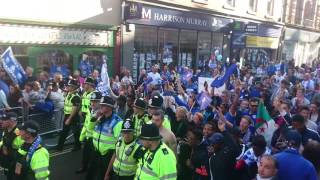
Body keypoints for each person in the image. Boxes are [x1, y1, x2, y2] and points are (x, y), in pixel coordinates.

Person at [86, 95, 123, 180]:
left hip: (107, 155)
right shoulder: (100, 118)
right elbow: (90, 129)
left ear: (110, 107)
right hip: (96, 152)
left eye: (103, 105)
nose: (100, 106)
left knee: (102, 176)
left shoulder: (117, 122)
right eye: (101, 104)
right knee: (91, 173)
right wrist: (94, 118)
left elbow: (120, 142)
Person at [76, 91, 102, 174]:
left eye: (95, 101)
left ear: (100, 102)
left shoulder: (102, 113)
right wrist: (82, 135)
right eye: (92, 101)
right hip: (88, 136)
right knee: (85, 154)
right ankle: (84, 167)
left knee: (94, 158)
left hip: (95, 138)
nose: (93, 103)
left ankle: (92, 172)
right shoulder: (89, 109)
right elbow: (86, 124)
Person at [56, 79, 81, 151]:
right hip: (67, 115)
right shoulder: (68, 94)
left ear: (73, 87)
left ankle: (77, 146)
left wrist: (69, 119)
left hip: (73, 116)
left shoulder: (76, 97)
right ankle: (59, 147)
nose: (67, 87)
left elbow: (75, 109)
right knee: (64, 132)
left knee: (76, 132)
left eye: (69, 86)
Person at [0, 112, 24, 180]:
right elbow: (4, 142)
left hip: (15, 164)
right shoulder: (6, 130)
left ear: (12, 121)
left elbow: (24, 151)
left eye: (4, 120)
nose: (1, 121)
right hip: (7, 162)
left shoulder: (20, 133)